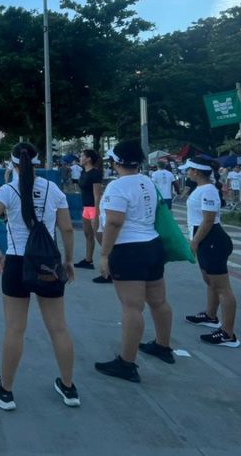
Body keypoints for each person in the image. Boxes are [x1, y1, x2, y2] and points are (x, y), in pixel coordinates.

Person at [0, 142, 79, 410]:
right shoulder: (53, 189)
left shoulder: (8, 190)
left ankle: (6, 391)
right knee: (58, 328)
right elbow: (67, 229)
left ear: (12, 163)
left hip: (17, 262)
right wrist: (68, 260)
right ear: (38, 162)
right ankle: (69, 388)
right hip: (48, 264)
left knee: (15, 329)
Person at [94, 141, 174, 383]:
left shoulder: (117, 186)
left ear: (116, 162)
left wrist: (104, 255)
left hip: (129, 249)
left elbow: (114, 222)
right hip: (152, 244)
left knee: (132, 307)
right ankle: (163, 345)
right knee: (158, 301)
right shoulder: (147, 181)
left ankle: (126, 363)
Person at [181, 158, 240, 347]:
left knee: (222, 288)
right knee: (210, 281)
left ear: (196, 172)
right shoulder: (202, 189)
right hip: (205, 239)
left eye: (189, 170)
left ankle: (228, 334)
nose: (187, 173)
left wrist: (195, 242)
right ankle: (210, 315)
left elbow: (208, 220)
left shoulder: (208, 190)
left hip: (212, 240)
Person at [75, 150, 105, 278]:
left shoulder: (95, 173)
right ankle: (88, 260)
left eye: (82, 156)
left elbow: (97, 195)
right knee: (88, 235)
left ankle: (111, 265)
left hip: (93, 208)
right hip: (86, 207)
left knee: (101, 239)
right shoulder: (83, 172)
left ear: (88, 159)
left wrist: (97, 214)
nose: (80, 158)